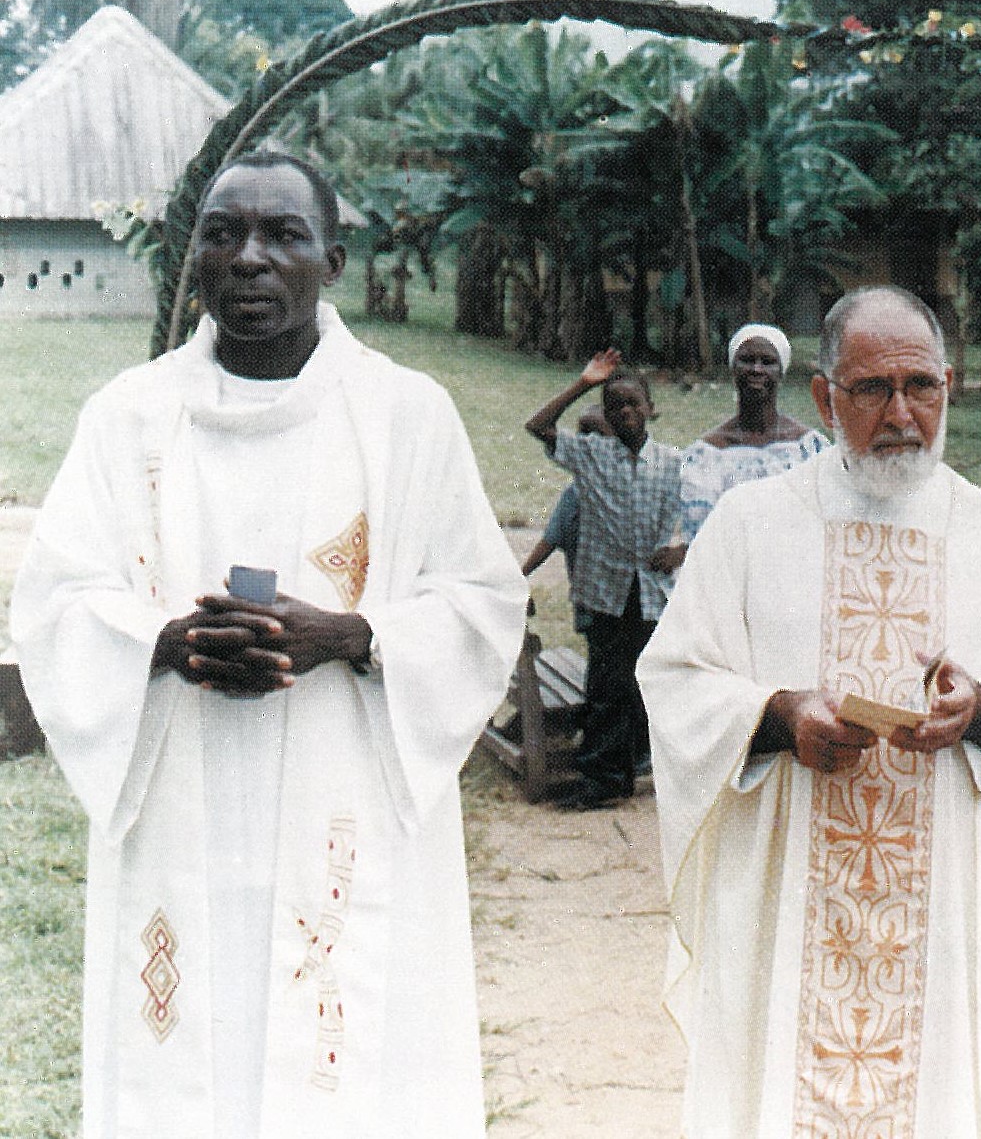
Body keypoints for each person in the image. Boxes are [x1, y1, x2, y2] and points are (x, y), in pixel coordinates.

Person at [11, 152, 525, 1135]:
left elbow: (480, 600)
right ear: (193, 255)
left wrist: (352, 632)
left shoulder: (405, 415)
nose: (249, 258)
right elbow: (56, 603)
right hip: (180, 797)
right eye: (222, 232)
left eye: (282, 235)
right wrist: (162, 640)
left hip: (347, 795)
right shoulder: (127, 416)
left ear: (332, 259)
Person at [636, 285, 981, 1136]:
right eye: (871, 390)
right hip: (790, 880)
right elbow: (674, 677)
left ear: (948, 386)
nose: (901, 414)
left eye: (921, 386)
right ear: (823, 396)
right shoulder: (750, 523)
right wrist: (777, 715)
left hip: (948, 894)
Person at [526, 350, 682, 810]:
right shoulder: (592, 456)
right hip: (605, 593)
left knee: (645, 684)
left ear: (651, 408)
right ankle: (602, 780)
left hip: (652, 593)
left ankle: (637, 763)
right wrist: (584, 383)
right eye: (615, 405)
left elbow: (708, 516)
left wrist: (681, 552)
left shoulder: (673, 462)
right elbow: (538, 426)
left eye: (634, 403)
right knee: (605, 687)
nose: (625, 412)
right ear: (606, 415)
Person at [678, 323, 827, 541]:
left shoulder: (811, 449)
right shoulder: (705, 456)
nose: (756, 369)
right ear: (733, 368)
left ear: (781, 371)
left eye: (767, 362)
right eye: (747, 360)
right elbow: (699, 533)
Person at [521, 404, 609, 636]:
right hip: (595, 604)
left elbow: (549, 541)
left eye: (598, 435)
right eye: (584, 434)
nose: (588, 444)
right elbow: (550, 540)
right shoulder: (576, 495)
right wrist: (519, 577)